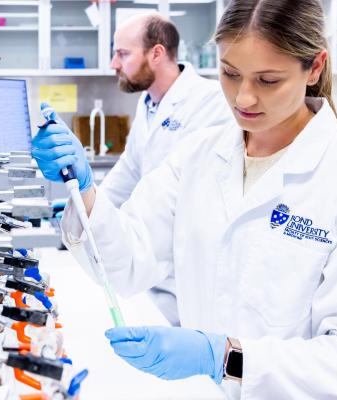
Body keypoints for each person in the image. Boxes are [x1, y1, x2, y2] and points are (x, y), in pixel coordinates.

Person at [32, 0, 337, 398]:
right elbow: (128, 262)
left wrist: (225, 358)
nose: (244, 99)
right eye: (230, 74)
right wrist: (83, 192)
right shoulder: (197, 156)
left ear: (314, 67)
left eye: (268, 80)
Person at [37, 13, 232, 327]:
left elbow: (184, 202)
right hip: (150, 277)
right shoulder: (149, 104)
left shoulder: (210, 104)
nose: (114, 63)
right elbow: (127, 173)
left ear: (156, 54)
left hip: (186, 279)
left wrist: (93, 208)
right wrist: (84, 205)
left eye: (122, 54)